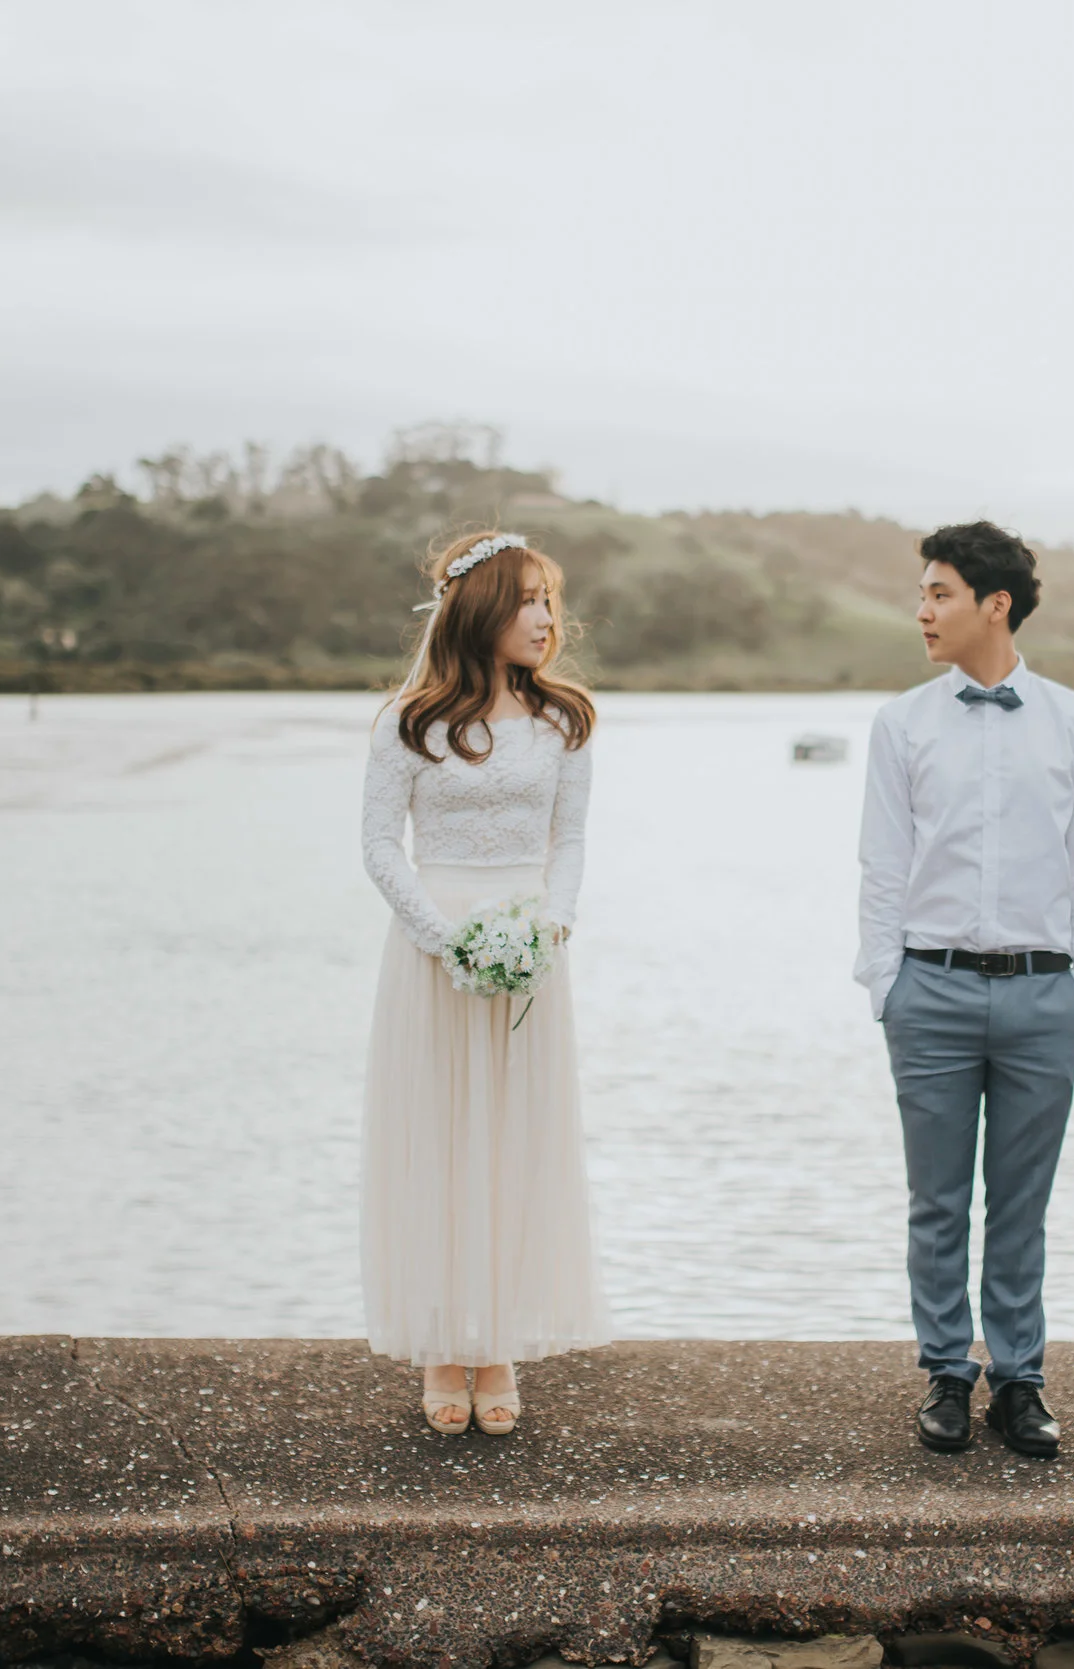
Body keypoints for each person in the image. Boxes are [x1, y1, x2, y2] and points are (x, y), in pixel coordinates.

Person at [855, 520, 1074, 1458]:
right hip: (928, 992)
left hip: (1045, 996)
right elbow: (882, 867)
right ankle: (944, 1373)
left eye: (940, 593)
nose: (922, 610)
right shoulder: (902, 723)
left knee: (1020, 1201)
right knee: (936, 1201)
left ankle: (1020, 1380)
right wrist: (884, 982)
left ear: (994, 604)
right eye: (923, 593)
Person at [358, 529, 610, 1435]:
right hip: (434, 950)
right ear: (480, 609)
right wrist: (441, 937)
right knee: (438, 1139)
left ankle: (496, 1343)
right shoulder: (409, 720)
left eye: (549, 600)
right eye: (528, 600)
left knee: (512, 1140)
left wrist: (553, 922)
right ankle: (439, 1344)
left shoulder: (564, 720)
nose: (546, 619)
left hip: (529, 949)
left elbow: (570, 840)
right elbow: (381, 844)